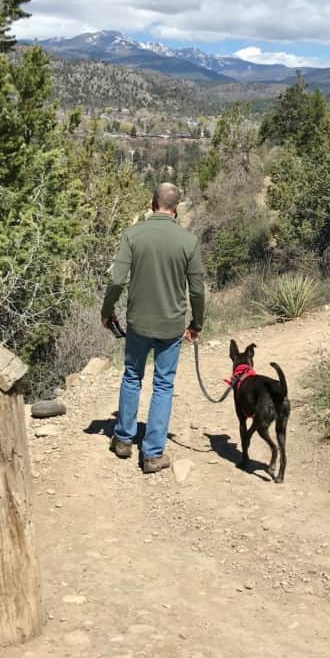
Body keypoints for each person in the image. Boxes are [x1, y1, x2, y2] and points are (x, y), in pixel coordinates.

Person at [101, 182, 205, 473]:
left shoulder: (133, 235)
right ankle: (152, 454)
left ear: (151, 204)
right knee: (163, 384)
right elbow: (197, 291)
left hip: (138, 324)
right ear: (176, 209)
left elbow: (117, 280)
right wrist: (197, 323)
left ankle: (122, 439)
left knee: (132, 375)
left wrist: (107, 311)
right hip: (171, 327)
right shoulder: (188, 242)